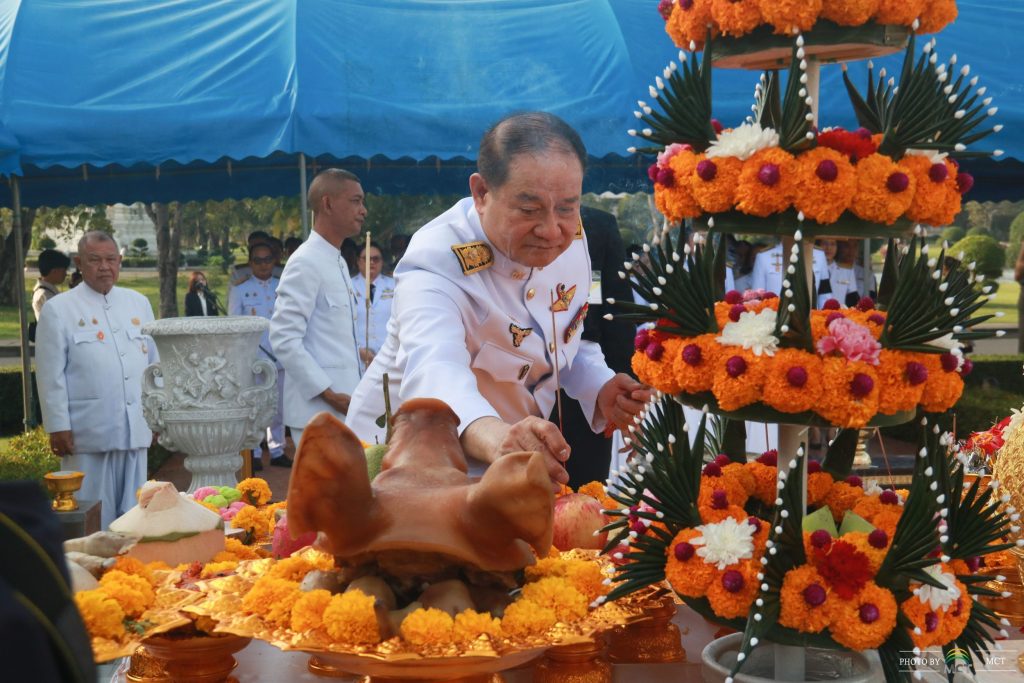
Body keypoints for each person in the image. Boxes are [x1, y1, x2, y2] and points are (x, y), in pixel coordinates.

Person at [345, 112, 650, 490]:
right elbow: (435, 374)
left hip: (509, 465)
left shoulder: (573, 243)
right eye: (529, 209)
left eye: (567, 208)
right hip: (403, 463)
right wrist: (496, 438)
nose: (552, 230)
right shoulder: (437, 258)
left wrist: (601, 386)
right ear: (481, 193)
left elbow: (560, 341)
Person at [36, 231, 157, 529]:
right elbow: (50, 373)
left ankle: (131, 574)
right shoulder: (59, 309)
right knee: (93, 519)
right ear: (79, 262)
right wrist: (58, 425)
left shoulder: (138, 303)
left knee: (135, 516)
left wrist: (156, 417)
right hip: (88, 431)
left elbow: (155, 365)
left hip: (133, 427)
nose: (105, 266)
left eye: (111, 259)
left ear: (119, 261)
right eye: (95, 260)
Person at [269, 169, 364, 444]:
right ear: (328, 203)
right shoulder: (305, 261)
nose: (363, 210)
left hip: (345, 409)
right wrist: (328, 393)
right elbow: (284, 338)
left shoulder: (337, 261)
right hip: (319, 412)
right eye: (356, 201)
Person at [549, 205, 635, 488]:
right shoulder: (500, 222)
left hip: (591, 378)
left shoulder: (598, 224)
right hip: (518, 387)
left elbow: (619, 312)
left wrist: (620, 393)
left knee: (586, 487)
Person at [229, 243, 287, 469]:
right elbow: (234, 323)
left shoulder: (282, 286)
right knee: (253, 407)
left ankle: (277, 449)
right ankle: (253, 451)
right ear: (250, 263)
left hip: (279, 355)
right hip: (252, 357)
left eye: (267, 260)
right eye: (257, 260)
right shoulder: (240, 289)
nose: (263, 265)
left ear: (273, 261)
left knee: (277, 406)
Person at [351, 240, 395, 368]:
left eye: (376, 259)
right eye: (366, 259)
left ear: (382, 262)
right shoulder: (348, 286)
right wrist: (358, 350)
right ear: (358, 261)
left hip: (389, 357)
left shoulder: (394, 285)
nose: (371, 263)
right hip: (358, 359)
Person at [32, 249, 71, 322]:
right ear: (54, 271)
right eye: (63, 271)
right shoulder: (45, 295)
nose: (65, 274)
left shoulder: (47, 291)